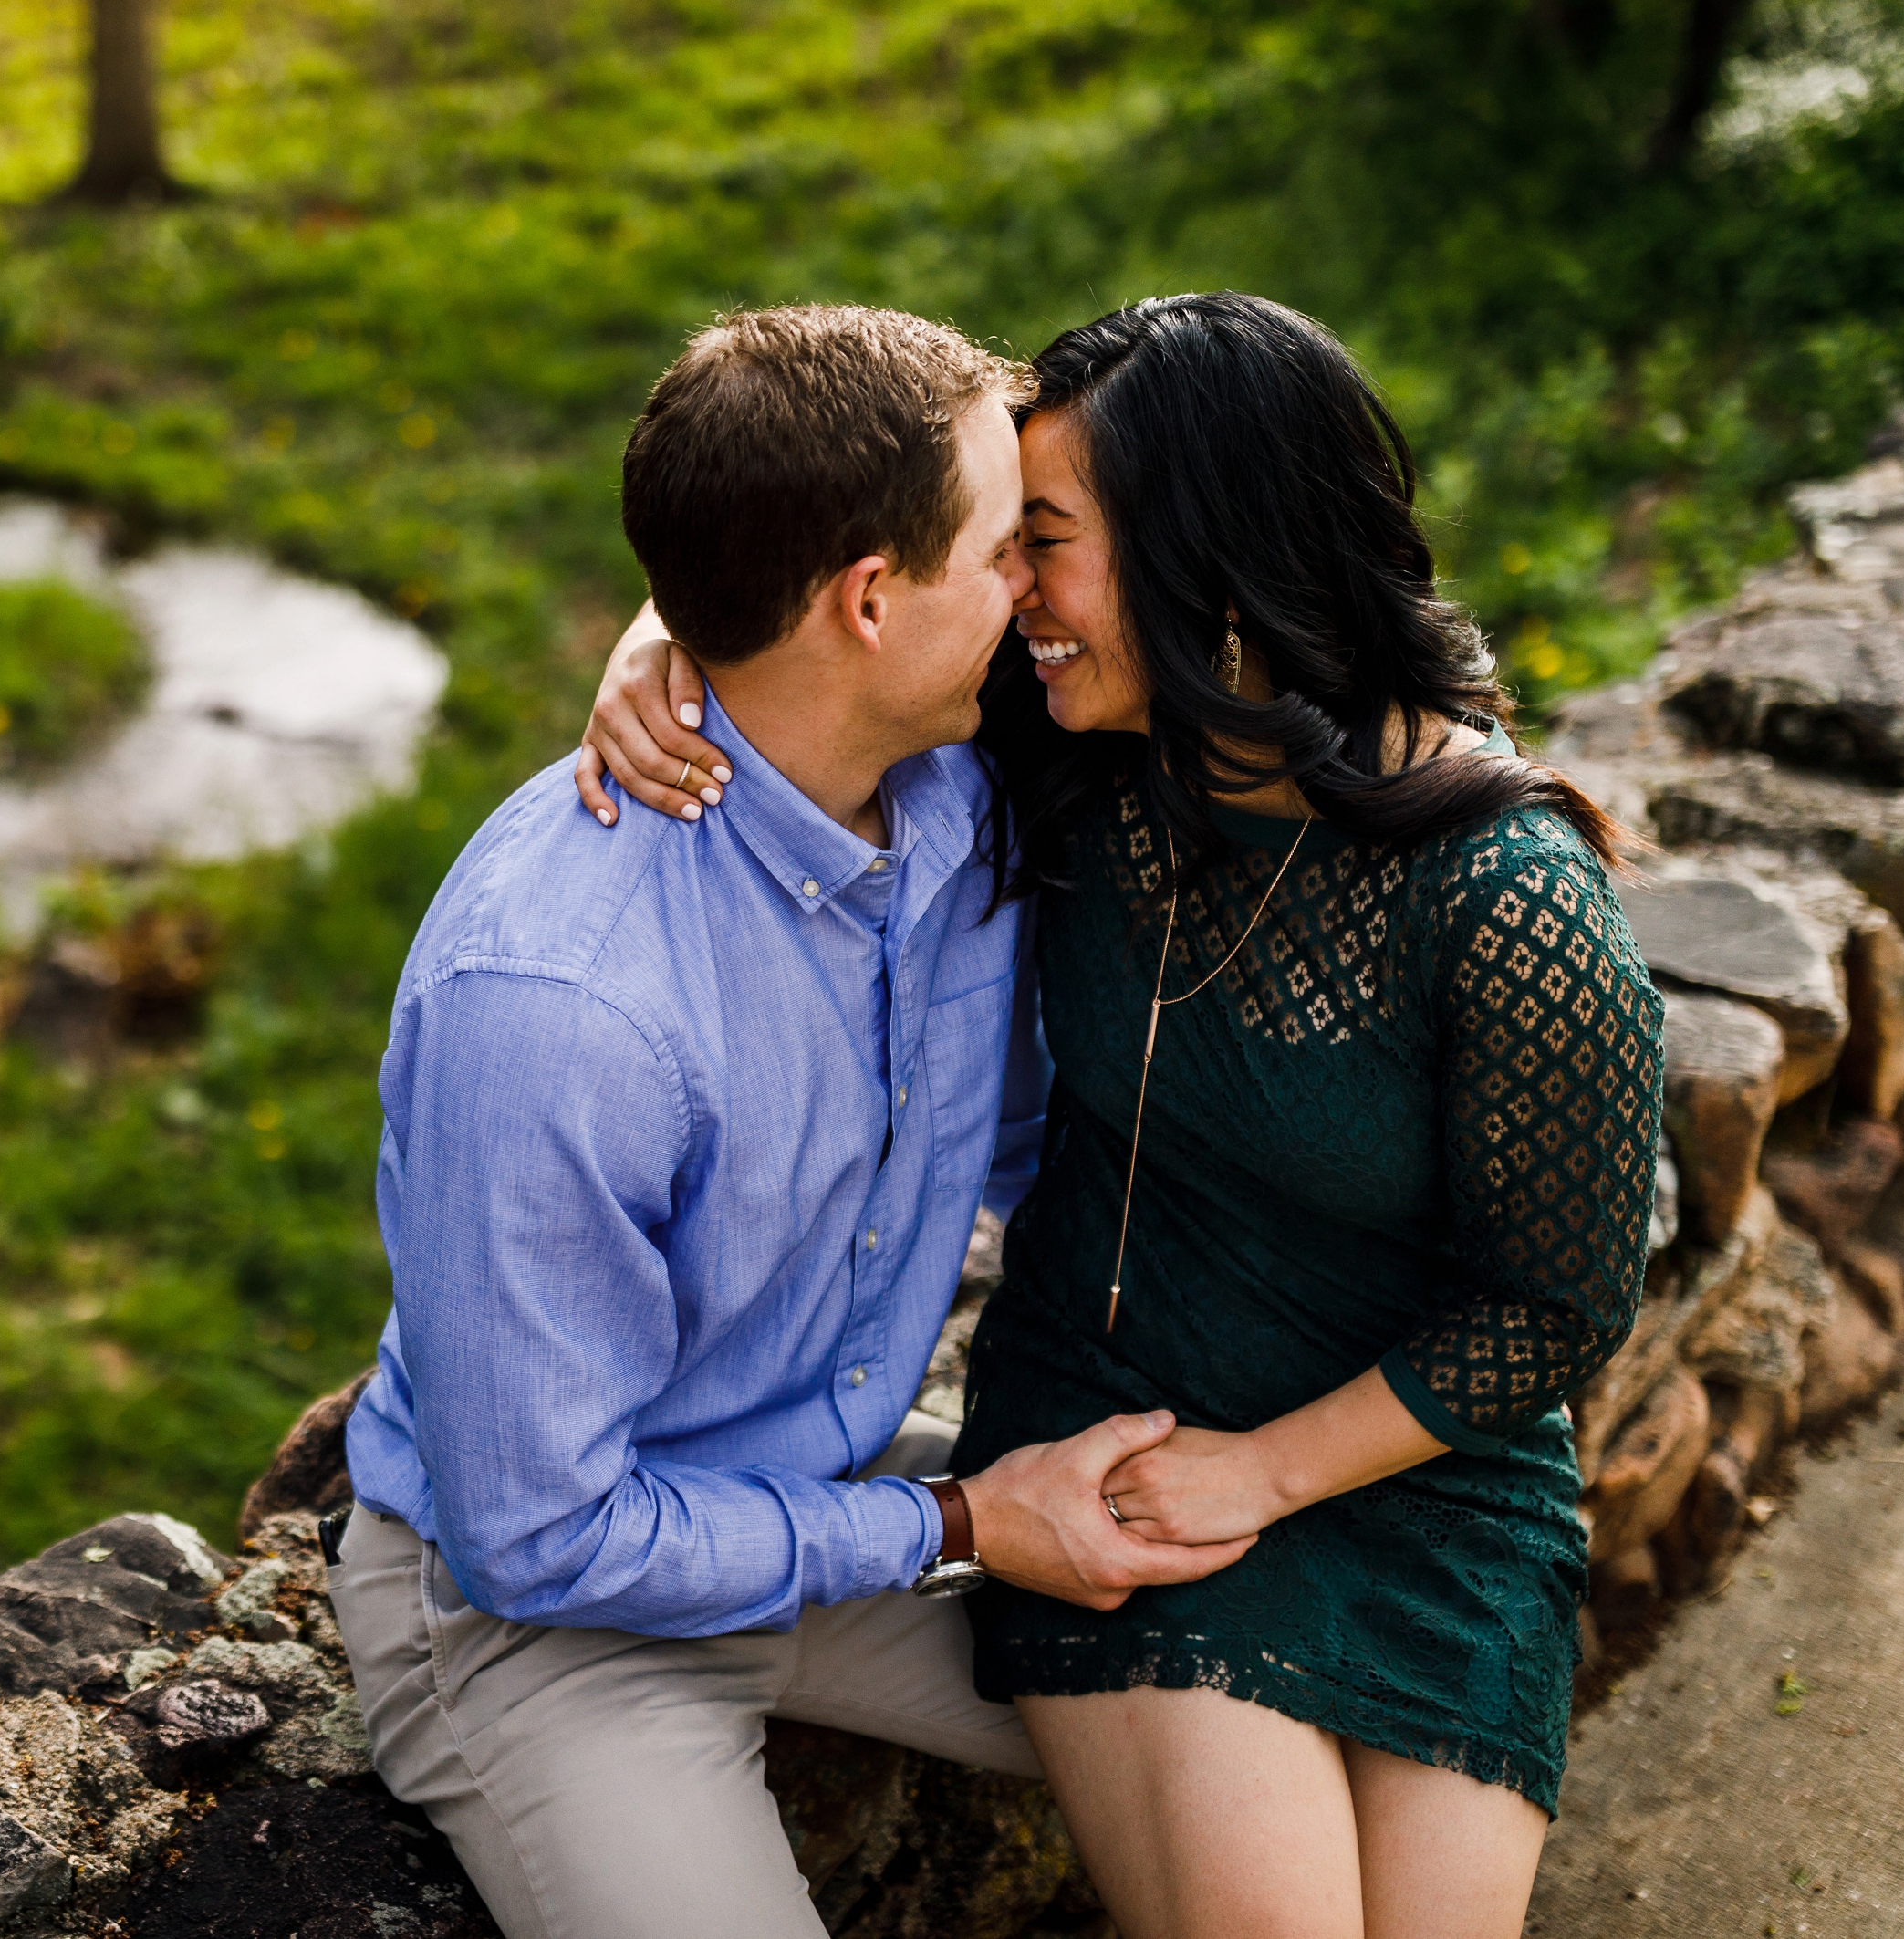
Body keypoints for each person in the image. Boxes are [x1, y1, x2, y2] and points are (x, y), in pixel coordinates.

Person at [578, 292, 1665, 1939]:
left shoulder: (1506, 897)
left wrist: (1275, 1473)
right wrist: (661, 652)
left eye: (1047, 540)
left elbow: (1559, 1305)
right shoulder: (1065, 742)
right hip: (1117, 1441)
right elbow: (805, 608)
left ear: (1206, 566)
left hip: (1417, 1482)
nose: (1013, 592)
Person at [329, 305, 1260, 1939]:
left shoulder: (962, 782)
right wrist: (964, 1520)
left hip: (815, 1491)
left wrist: (678, 619)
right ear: (871, 599)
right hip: (542, 1615)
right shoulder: (557, 1006)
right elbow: (541, 1531)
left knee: (1283, 1655)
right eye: (1004, 553)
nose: (1038, 590)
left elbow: (1238, 553)